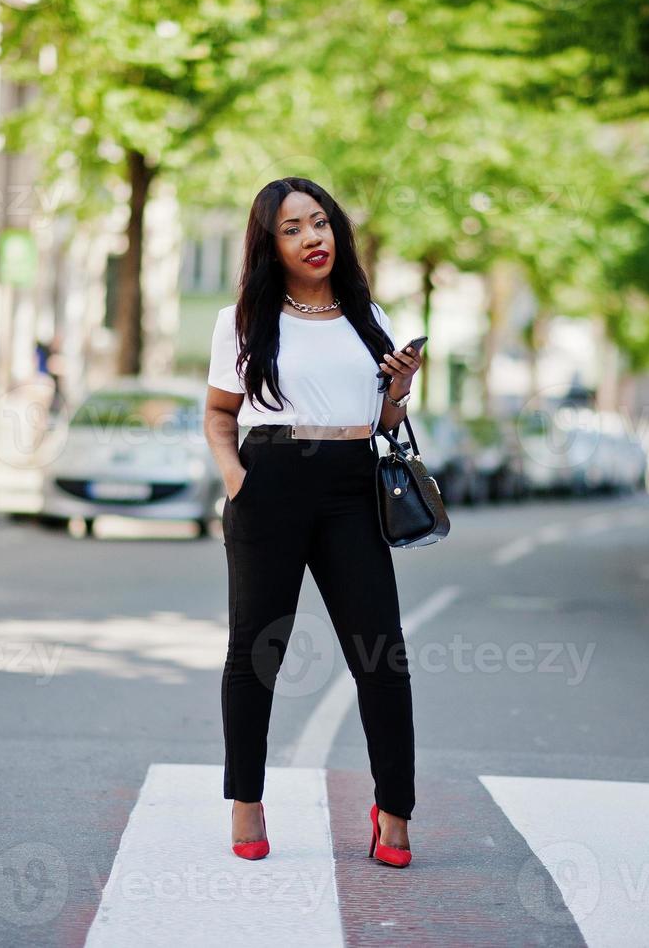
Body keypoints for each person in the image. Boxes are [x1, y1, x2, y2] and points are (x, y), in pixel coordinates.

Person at [203, 177, 422, 868]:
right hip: (270, 480)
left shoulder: (370, 315)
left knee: (380, 654)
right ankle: (246, 802)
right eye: (293, 228)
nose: (312, 237)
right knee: (256, 651)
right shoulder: (242, 318)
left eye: (320, 222)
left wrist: (400, 387)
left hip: (351, 486)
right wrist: (238, 483)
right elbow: (217, 414)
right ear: (271, 244)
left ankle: (393, 811)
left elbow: (386, 422)